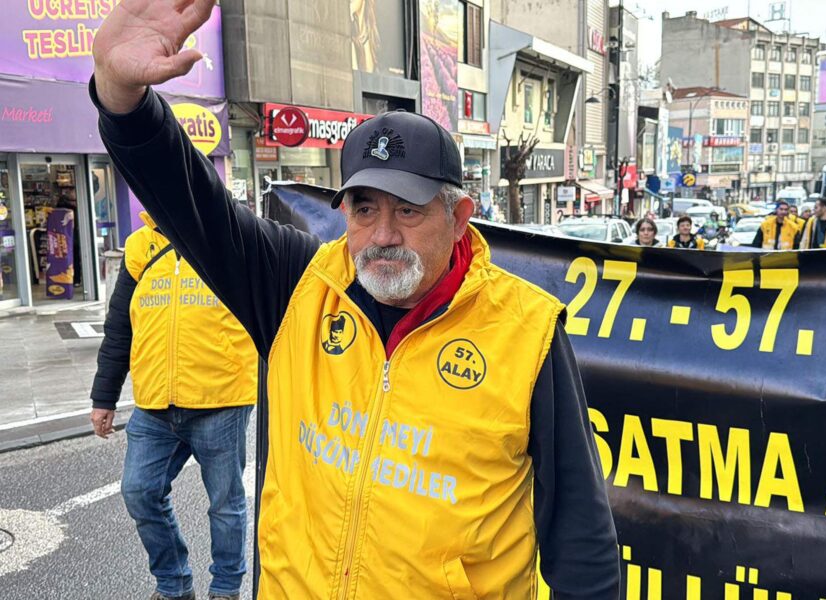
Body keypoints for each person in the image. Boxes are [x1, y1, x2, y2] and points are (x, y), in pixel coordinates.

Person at [91, 3, 619, 598]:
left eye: (408, 210)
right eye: (365, 209)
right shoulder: (298, 286)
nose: (383, 234)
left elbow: (581, 536)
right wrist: (121, 96)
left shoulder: (527, 331)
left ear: (459, 218)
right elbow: (193, 204)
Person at [90, 211, 258, 600]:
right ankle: (174, 584)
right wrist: (104, 397)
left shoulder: (231, 236)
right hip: (154, 402)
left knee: (225, 505)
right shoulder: (139, 246)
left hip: (222, 397)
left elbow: (270, 306)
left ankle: (226, 588)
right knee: (139, 491)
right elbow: (119, 326)